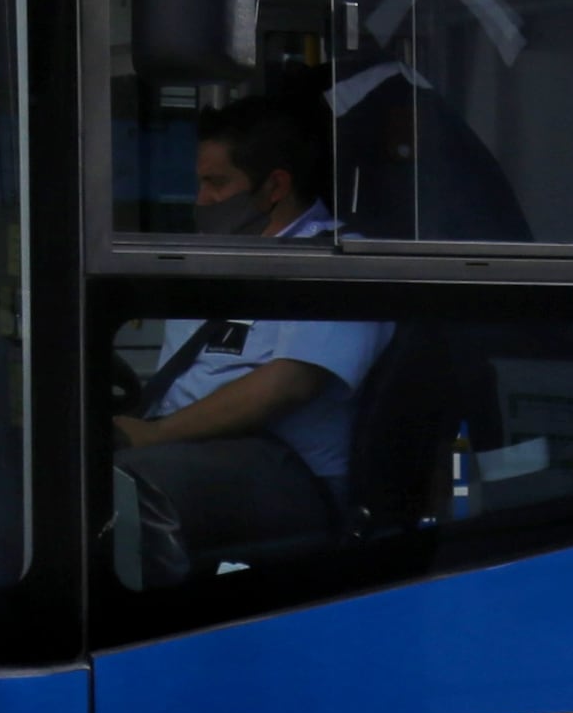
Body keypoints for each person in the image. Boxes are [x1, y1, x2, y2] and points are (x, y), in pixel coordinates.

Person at [109, 93, 387, 578]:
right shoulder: (218, 261)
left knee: (126, 489)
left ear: (275, 186)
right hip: (189, 451)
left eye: (216, 184)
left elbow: (289, 384)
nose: (201, 201)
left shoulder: (340, 261)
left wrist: (154, 435)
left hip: (291, 474)